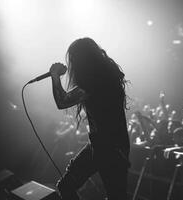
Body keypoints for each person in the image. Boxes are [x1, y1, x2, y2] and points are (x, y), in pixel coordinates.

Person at [50, 37, 130, 200]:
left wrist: (55, 75)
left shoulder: (95, 82)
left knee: (116, 196)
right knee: (66, 185)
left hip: (111, 149)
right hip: (102, 145)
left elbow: (62, 101)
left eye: (73, 59)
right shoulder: (103, 76)